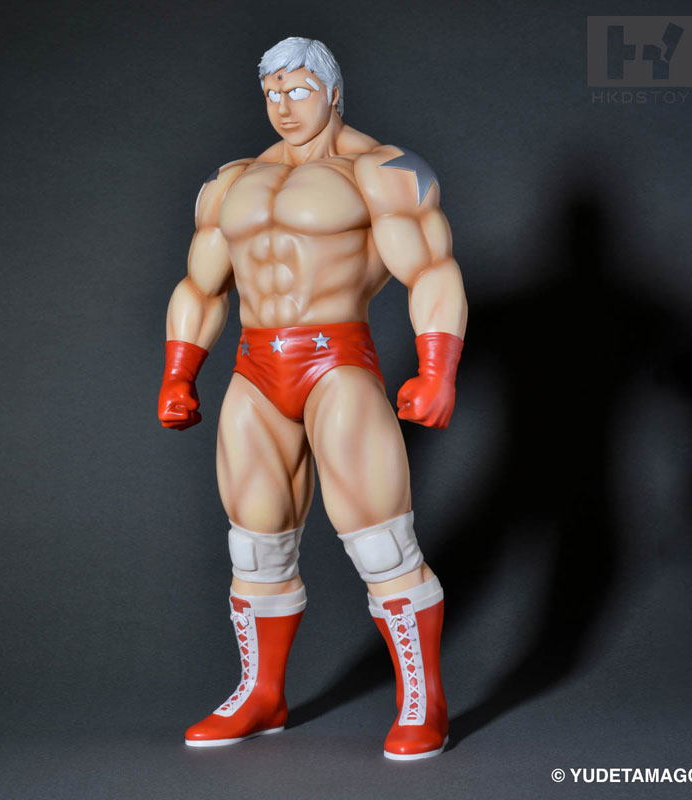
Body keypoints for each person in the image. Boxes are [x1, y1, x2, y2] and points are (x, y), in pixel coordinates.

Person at [157, 36, 467, 760]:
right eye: (272, 93)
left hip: (337, 362)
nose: (284, 107)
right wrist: (179, 371)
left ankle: (424, 702)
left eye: (298, 91)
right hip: (254, 368)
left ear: (333, 91)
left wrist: (438, 368)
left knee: (380, 538)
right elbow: (202, 285)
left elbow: (431, 268)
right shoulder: (232, 182)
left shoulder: (381, 170)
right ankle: (261, 695)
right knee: (255, 541)